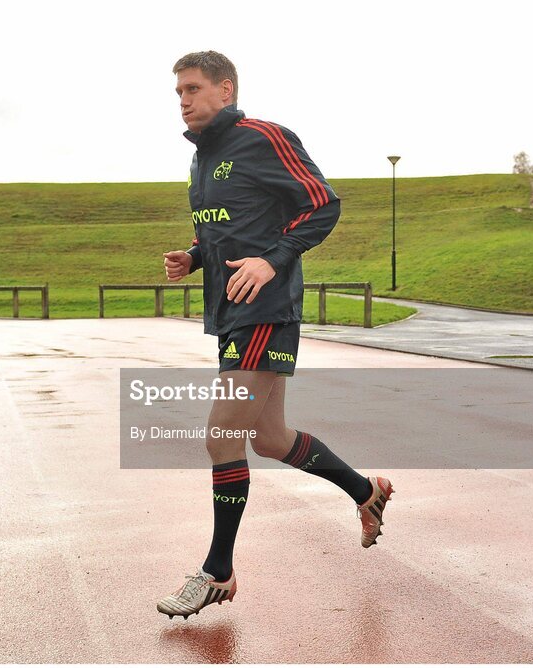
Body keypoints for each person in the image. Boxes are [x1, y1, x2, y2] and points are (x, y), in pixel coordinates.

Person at [157, 51, 394, 620]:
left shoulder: (264, 137)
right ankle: (367, 491)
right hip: (230, 312)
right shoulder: (202, 161)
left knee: (221, 436)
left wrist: (271, 260)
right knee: (268, 438)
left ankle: (219, 571)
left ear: (225, 88)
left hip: (267, 308)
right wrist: (194, 256)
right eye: (178, 92)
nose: (184, 100)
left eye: (193, 88)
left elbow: (322, 204)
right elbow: (229, 230)